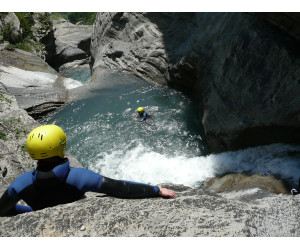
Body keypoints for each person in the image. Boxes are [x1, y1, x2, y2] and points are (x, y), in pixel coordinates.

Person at [0, 125, 176, 216]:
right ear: (61, 148)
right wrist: (156, 190)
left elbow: (2, 210)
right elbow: (121, 188)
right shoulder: (80, 177)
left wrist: (32, 213)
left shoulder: (21, 183)